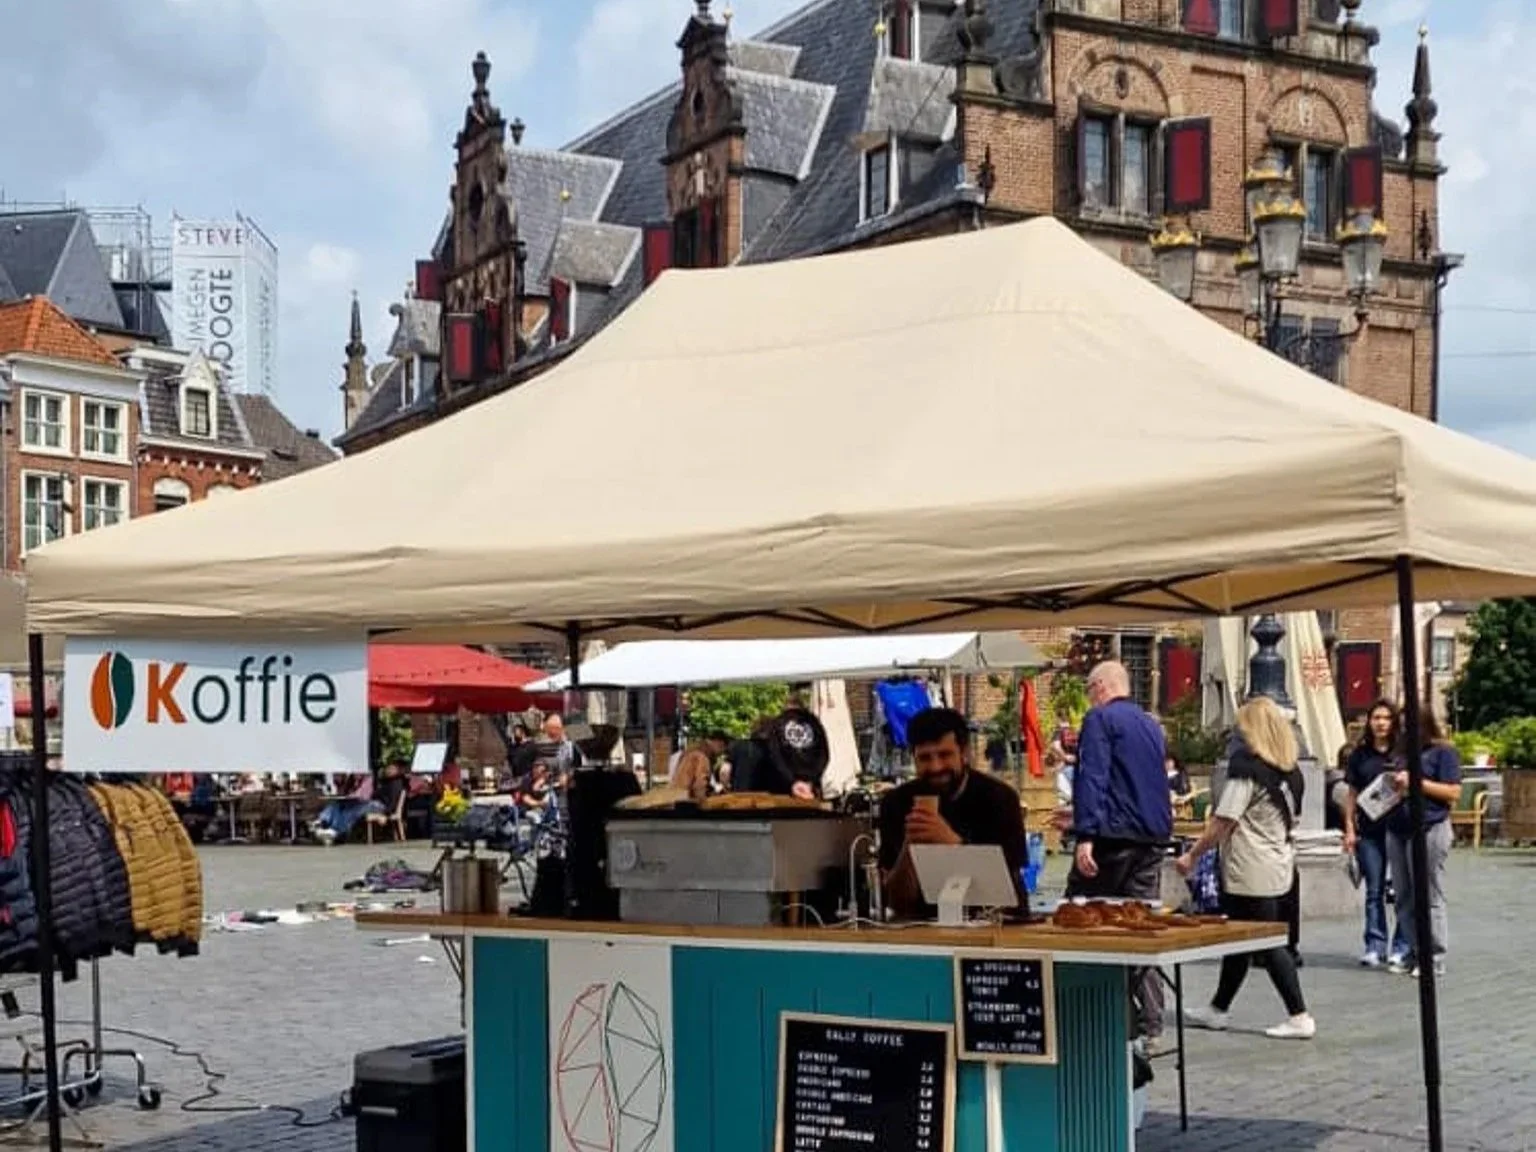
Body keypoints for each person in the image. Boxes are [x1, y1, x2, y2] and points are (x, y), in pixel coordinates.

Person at [1177, 697, 1313, 1039]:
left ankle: (1299, 1015)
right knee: (1238, 939)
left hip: (1249, 868)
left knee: (1267, 941)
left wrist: (1191, 855)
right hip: (1279, 864)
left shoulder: (1246, 769)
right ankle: (1218, 1007)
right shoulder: (1292, 773)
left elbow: (1223, 821)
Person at [1064, 662, 1172, 1046]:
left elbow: (1093, 775)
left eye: (1090, 689)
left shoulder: (1100, 719)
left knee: (1083, 916)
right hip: (1152, 836)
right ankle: (1153, 1022)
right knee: (1139, 925)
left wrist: (1086, 833)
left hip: (1113, 836)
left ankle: (1091, 1012)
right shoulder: (1149, 724)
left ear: (1100, 687)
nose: (1089, 696)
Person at [878, 707, 1027, 920]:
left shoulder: (1000, 799)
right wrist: (910, 847)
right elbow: (897, 902)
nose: (936, 766)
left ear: (965, 753)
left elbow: (1005, 887)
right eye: (925, 758)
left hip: (996, 927)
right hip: (923, 927)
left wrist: (952, 843)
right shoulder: (896, 803)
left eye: (944, 755)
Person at [1385, 709, 1461, 980]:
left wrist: (1417, 782)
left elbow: (1453, 792)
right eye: (1403, 725)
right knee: (1403, 896)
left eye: (1411, 725)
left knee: (1428, 894)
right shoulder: (1401, 754)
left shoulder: (1443, 753)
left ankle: (1435, 955)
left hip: (1429, 826)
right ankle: (1415, 951)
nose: (1406, 730)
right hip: (1398, 827)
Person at [1344, 700, 1410, 969]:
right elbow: (1351, 794)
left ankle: (1402, 946)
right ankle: (1374, 944)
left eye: (1386, 718)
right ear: (1368, 722)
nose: (1381, 723)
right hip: (1370, 830)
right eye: (1376, 718)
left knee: (1402, 891)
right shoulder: (1359, 755)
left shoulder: (1403, 753)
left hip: (1400, 828)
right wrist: (1349, 828)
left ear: (1394, 722)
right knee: (1374, 891)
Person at [671, 731, 728, 802]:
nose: (720, 754)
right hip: (687, 801)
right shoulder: (702, 757)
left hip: (676, 797)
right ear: (719, 743)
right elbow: (700, 786)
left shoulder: (690, 751)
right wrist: (704, 803)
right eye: (722, 750)